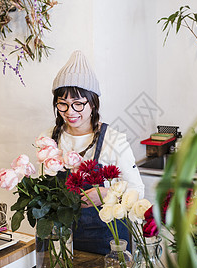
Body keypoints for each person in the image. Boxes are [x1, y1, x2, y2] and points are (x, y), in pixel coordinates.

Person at [40, 50, 145, 255]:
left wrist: (107, 194)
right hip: (62, 239)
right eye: (63, 103)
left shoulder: (113, 140)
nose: (70, 112)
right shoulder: (48, 139)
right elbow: (44, 188)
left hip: (107, 242)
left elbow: (138, 191)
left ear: (93, 103)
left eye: (78, 104)